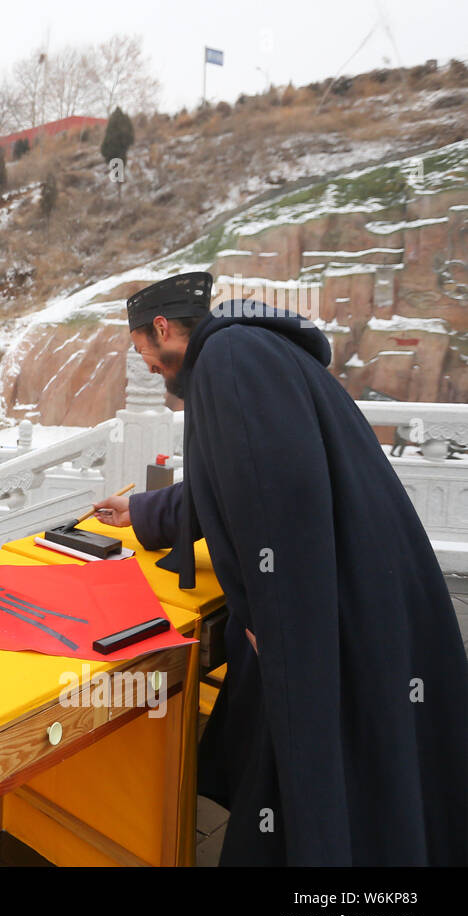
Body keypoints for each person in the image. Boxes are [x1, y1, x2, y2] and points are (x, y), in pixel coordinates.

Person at [90, 271, 468, 866]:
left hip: (326, 598)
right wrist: (140, 510)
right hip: (353, 578)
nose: (149, 367)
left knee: (330, 753)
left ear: (162, 328)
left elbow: (280, 497)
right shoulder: (247, 353)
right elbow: (235, 482)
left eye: (143, 352)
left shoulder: (231, 361)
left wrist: (280, 625)